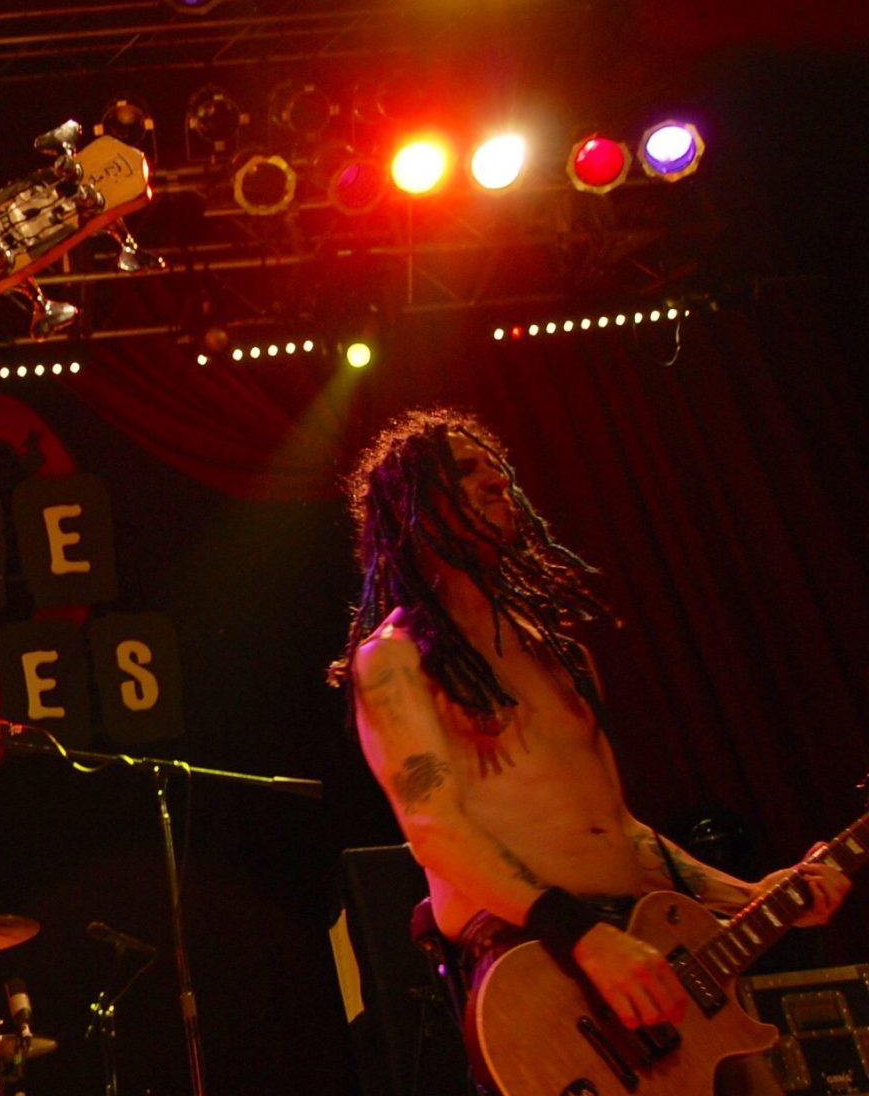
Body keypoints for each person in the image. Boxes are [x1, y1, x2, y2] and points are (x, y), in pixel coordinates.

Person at [335, 410, 850, 1068]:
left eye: (496, 466)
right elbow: (434, 830)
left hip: (638, 945)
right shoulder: (395, 660)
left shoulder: (560, 653)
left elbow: (620, 829)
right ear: (416, 510)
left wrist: (748, 895)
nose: (497, 479)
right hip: (540, 958)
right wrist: (581, 937)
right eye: (466, 471)